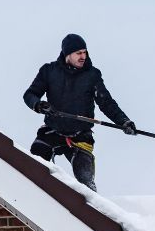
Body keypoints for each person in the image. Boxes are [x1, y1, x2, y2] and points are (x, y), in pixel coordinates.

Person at [23, 33, 136, 191]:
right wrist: (39, 105)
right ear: (67, 54)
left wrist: (124, 121)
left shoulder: (92, 75)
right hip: (52, 131)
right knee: (34, 166)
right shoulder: (49, 71)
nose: (83, 56)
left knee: (86, 185)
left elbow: (106, 103)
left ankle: (92, 209)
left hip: (81, 136)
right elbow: (29, 95)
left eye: (85, 52)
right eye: (79, 53)